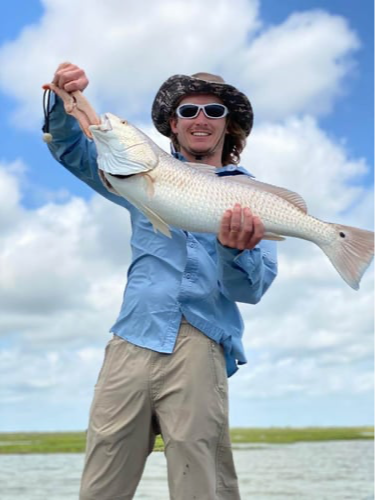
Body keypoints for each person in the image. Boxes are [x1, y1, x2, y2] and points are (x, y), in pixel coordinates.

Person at [44, 62, 278, 500]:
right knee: (101, 485)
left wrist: (234, 249)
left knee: (200, 485)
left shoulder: (254, 197)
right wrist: (62, 100)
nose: (201, 119)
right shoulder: (137, 174)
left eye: (214, 110)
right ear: (173, 124)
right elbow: (73, 149)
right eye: (188, 111)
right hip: (130, 339)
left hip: (201, 343)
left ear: (230, 125)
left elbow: (252, 290)